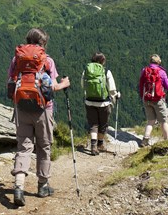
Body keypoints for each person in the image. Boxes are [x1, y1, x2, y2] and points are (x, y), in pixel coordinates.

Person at [7, 28, 70, 206]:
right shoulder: (47, 61)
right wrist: (65, 83)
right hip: (43, 109)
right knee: (44, 146)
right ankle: (43, 186)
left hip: (21, 108)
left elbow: (10, 83)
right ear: (43, 43)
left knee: (24, 147)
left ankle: (18, 186)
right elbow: (53, 87)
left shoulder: (16, 59)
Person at [81, 52, 120, 155]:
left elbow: (83, 85)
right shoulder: (106, 71)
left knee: (93, 124)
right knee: (103, 124)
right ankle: (100, 144)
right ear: (102, 61)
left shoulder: (86, 70)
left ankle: (93, 147)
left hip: (89, 101)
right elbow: (111, 88)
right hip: (103, 103)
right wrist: (116, 96)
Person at [138, 54, 168, 147]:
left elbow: (141, 84)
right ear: (159, 62)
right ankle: (167, 141)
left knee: (150, 121)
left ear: (150, 61)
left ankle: (145, 139)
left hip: (146, 99)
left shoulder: (144, 70)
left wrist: (142, 96)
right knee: (163, 121)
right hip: (158, 99)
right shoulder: (161, 72)